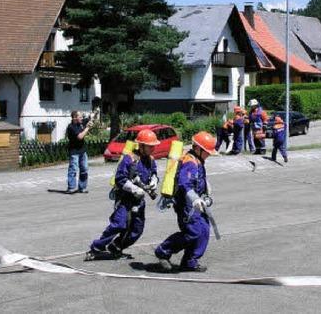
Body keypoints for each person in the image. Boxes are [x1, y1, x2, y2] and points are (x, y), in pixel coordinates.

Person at [85, 129, 159, 260]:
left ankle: (117, 246)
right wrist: (134, 189)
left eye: (154, 146)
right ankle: (96, 247)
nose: (153, 148)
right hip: (125, 199)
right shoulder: (129, 159)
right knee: (119, 224)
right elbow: (120, 179)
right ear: (141, 145)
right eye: (150, 146)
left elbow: (153, 173)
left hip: (139, 201)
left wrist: (154, 181)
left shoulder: (151, 160)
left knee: (137, 230)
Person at [155, 131, 216, 273]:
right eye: (207, 151)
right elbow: (184, 183)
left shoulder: (199, 160)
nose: (209, 154)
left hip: (198, 203)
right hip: (187, 205)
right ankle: (163, 251)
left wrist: (205, 191)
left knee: (204, 231)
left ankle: (190, 261)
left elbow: (198, 180)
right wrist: (194, 199)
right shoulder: (190, 161)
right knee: (193, 232)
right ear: (198, 149)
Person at [65, 111, 93, 193]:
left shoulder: (80, 123)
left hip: (82, 151)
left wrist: (93, 115)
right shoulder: (71, 127)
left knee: (84, 169)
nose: (82, 118)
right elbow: (80, 137)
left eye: (81, 117)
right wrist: (87, 128)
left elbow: (89, 119)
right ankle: (71, 187)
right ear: (74, 118)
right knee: (73, 169)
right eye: (80, 117)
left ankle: (82, 187)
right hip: (74, 152)